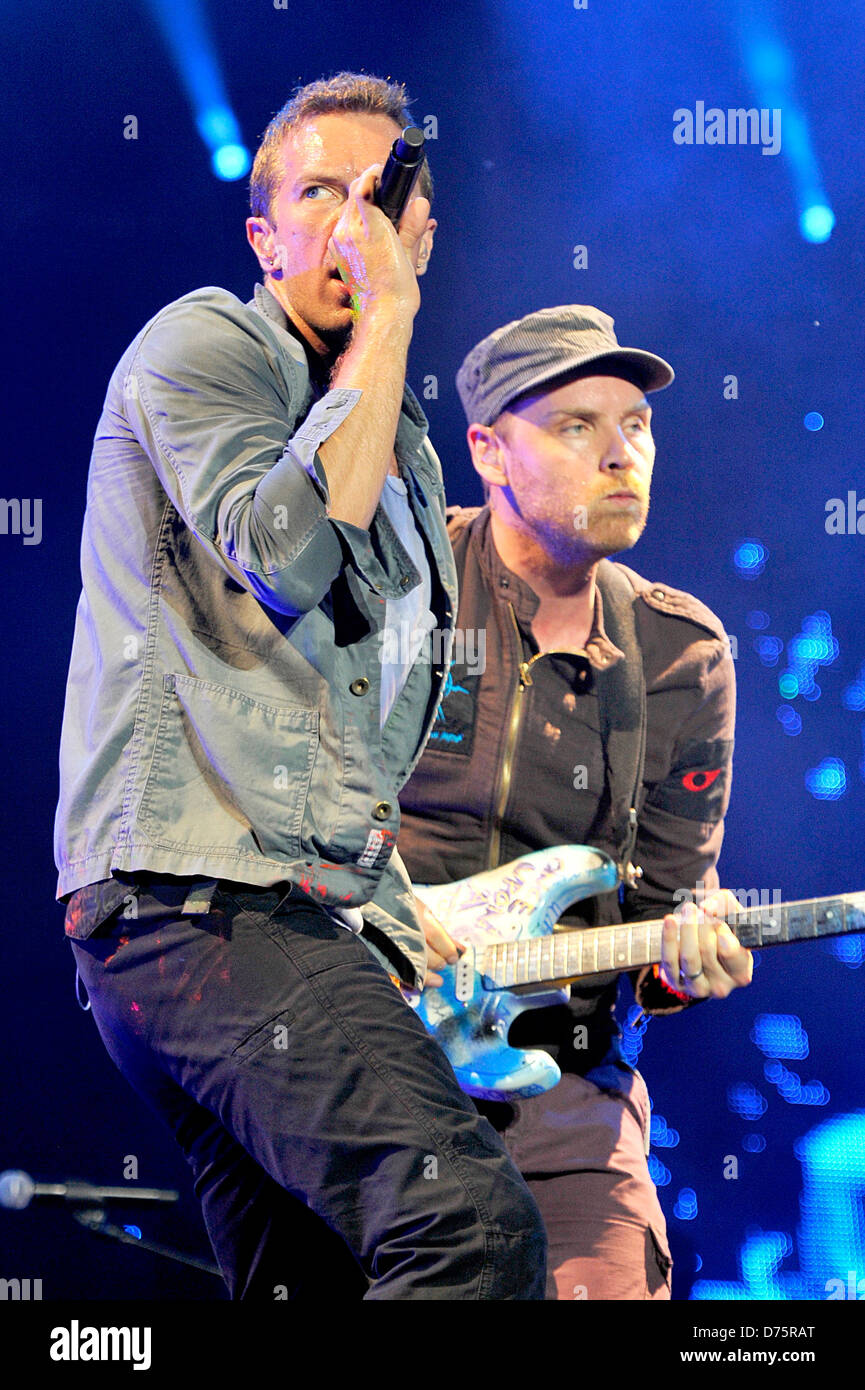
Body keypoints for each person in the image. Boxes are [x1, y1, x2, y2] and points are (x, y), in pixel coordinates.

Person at [54, 73, 546, 1301]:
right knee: (467, 1228)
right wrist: (384, 320)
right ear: (264, 237)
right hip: (195, 904)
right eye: (317, 194)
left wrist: (395, 911)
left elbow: (344, 733)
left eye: (377, 196)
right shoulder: (206, 343)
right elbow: (278, 558)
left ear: (422, 229)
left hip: (287, 910)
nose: (349, 223)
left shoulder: (409, 457)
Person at [397, 304, 754, 1300]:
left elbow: (664, 918)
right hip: (369, 1073)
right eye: (576, 426)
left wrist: (688, 956)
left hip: (567, 1094)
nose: (620, 454)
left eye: (634, 424)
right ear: (487, 451)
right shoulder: (401, 588)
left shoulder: (684, 656)